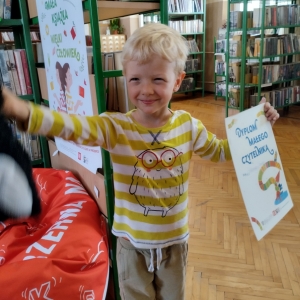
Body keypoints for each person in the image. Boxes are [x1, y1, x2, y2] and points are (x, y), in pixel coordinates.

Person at [1, 23, 279, 300]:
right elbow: (73, 126)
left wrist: (258, 128)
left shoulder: (188, 126)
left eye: (158, 79)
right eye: (135, 79)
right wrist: (23, 111)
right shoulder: (116, 128)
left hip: (175, 244)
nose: (146, 89)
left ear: (178, 80)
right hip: (131, 246)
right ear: (125, 78)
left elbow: (219, 150)